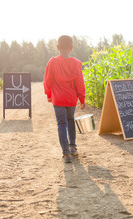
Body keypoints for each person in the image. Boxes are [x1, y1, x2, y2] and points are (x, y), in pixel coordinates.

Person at [43, 35, 86, 163]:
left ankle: (66, 154)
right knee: (70, 121)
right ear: (71, 48)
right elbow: (80, 83)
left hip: (58, 100)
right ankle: (73, 147)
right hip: (71, 99)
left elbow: (47, 81)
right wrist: (82, 99)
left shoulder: (52, 62)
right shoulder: (76, 64)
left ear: (58, 47)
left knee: (61, 124)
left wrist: (49, 95)